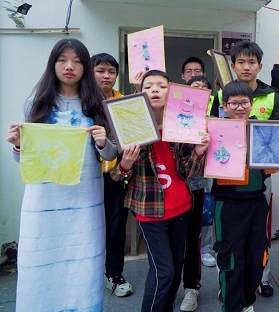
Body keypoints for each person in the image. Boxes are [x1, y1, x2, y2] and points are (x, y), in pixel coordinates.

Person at [6, 39, 117, 311]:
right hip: (44, 200)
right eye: (63, 60)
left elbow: (111, 154)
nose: (70, 66)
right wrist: (18, 145)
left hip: (85, 200)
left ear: (85, 67)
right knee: (41, 260)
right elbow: (25, 158)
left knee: (84, 261)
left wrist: (104, 143)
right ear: (53, 64)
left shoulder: (97, 103)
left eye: (77, 61)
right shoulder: (37, 103)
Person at [111, 70, 210, 312]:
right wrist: (125, 164)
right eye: (148, 86)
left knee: (175, 268)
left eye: (162, 86)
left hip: (182, 208)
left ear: (171, 91)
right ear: (140, 92)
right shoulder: (131, 125)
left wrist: (198, 153)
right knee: (163, 272)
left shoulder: (181, 125)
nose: (155, 90)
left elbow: (189, 172)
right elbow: (116, 176)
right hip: (149, 211)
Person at [211, 41, 279, 297]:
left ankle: (261, 278)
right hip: (227, 181)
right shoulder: (221, 94)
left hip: (258, 176)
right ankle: (227, 284)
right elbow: (212, 128)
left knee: (257, 234)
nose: (246, 67)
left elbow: (277, 133)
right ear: (233, 65)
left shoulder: (271, 95)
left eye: (251, 62)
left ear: (259, 66)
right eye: (240, 62)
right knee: (228, 239)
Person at [211, 81, 269, 312]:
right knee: (231, 260)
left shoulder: (262, 129)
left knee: (256, 258)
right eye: (233, 103)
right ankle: (232, 307)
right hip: (228, 204)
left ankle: (247, 303)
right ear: (224, 106)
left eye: (244, 102)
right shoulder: (214, 130)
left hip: (256, 202)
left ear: (252, 104)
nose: (239, 107)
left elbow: (270, 165)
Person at [91, 52, 134, 297]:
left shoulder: (124, 102)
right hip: (87, 178)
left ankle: (114, 275)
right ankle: (87, 273)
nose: (106, 76)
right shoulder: (82, 102)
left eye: (111, 71)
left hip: (117, 175)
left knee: (116, 227)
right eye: (100, 71)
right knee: (88, 227)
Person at [180, 75, 215, 312]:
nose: (200, 91)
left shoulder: (213, 120)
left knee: (193, 238)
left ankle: (191, 287)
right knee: (172, 243)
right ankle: (167, 285)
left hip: (195, 186)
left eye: (204, 88)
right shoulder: (173, 115)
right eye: (195, 87)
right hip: (168, 187)